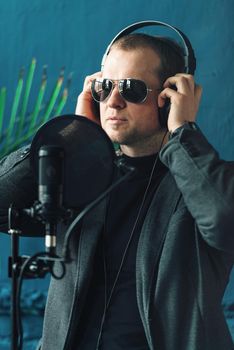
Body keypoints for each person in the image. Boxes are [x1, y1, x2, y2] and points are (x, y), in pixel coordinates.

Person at [0, 31, 234, 350]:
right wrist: (73, 137)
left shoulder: (207, 181)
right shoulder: (81, 179)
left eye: (131, 88)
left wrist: (182, 134)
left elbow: (225, 222)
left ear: (169, 98)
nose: (113, 100)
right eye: (105, 87)